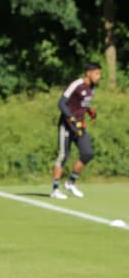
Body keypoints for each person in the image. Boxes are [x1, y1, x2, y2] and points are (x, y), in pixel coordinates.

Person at [51, 61, 101, 199]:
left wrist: (90, 111)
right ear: (88, 73)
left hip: (80, 126)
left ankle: (70, 182)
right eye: (96, 73)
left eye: (99, 74)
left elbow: (83, 104)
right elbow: (61, 103)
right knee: (63, 156)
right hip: (67, 125)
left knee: (87, 153)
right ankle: (55, 190)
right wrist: (72, 119)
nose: (98, 76)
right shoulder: (76, 84)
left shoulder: (92, 88)